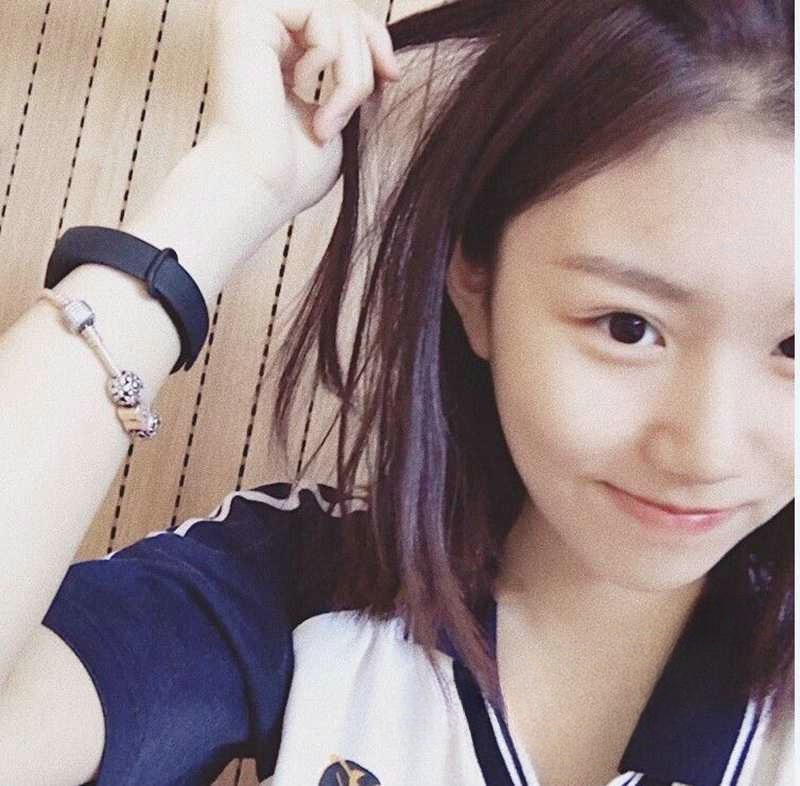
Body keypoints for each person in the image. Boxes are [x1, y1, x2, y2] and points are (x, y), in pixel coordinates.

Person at [0, 0, 793, 784]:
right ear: (476, 284)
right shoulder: (310, 584)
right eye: (627, 327)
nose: (706, 451)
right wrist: (232, 185)